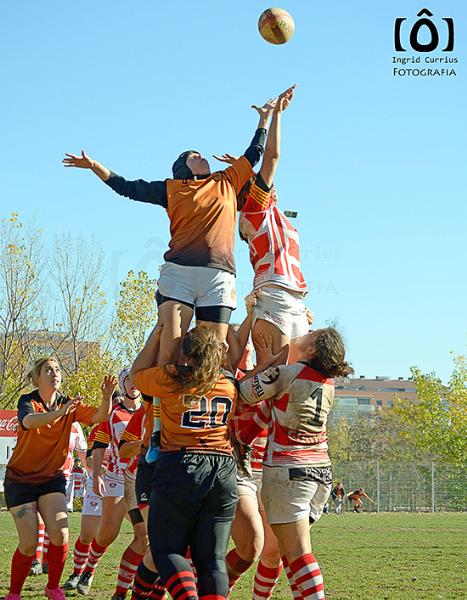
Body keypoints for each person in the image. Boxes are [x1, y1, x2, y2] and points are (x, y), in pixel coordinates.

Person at [239, 328, 353, 599]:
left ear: (312, 350)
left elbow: (243, 393)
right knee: (287, 552)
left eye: (312, 334)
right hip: (320, 473)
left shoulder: (286, 374)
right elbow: (272, 407)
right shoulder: (327, 383)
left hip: (290, 472)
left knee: (299, 554)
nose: (306, 331)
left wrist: (266, 364)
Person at [129, 324, 238, 600]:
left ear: (186, 355)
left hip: (181, 464)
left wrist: (156, 335)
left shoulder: (172, 378)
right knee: (212, 560)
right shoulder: (228, 384)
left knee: (167, 551)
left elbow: (136, 375)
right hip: (223, 470)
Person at [3, 357, 115, 600]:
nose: (54, 373)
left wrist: (107, 398)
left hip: (50, 480)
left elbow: (99, 417)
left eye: (57, 369)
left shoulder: (67, 403)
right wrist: (59, 413)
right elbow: (28, 422)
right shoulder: (28, 401)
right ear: (37, 377)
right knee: (29, 543)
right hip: (20, 480)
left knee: (60, 535)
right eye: (48, 370)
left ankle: (52, 587)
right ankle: (14, 594)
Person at [214, 84, 308, 365]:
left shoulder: (274, 214)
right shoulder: (254, 210)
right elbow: (272, 158)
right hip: (273, 295)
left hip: (297, 299)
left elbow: (263, 172)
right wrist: (276, 115)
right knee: (274, 374)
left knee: (296, 380)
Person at [69, 369, 142, 597]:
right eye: (128, 379)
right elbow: (99, 443)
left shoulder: (152, 408)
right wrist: (97, 476)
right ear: (122, 383)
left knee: (146, 535)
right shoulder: (114, 413)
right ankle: (88, 570)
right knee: (108, 533)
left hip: (145, 481)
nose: (133, 384)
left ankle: (127, 587)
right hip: (117, 479)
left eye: (136, 378)